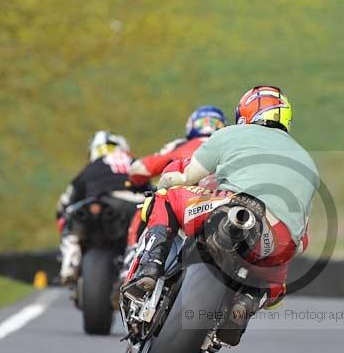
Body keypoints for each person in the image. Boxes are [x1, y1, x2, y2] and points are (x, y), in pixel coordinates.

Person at [128, 86, 318, 330]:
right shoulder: (307, 161)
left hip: (229, 209)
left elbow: (186, 176)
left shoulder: (232, 134)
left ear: (246, 113)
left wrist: (166, 181)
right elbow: (302, 240)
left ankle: (151, 264)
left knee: (167, 197)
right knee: (274, 282)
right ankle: (247, 301)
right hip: (277, 240)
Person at [124, 106, 226, 246]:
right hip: (224, 206)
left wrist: (135, 182)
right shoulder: (229, 144)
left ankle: (136, 253)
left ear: (191, 126)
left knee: (147, 207)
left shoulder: (179, 145)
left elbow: (141, 169)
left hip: (183, 208)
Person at [55, 130, 142, 284]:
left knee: (72, 218)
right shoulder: (133, 162)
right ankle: (137, 266)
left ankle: (70, 262)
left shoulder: (91, 167)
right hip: (132, 204)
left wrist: (63, 218)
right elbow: (151, 189)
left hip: (97, 202)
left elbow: (67, 199)